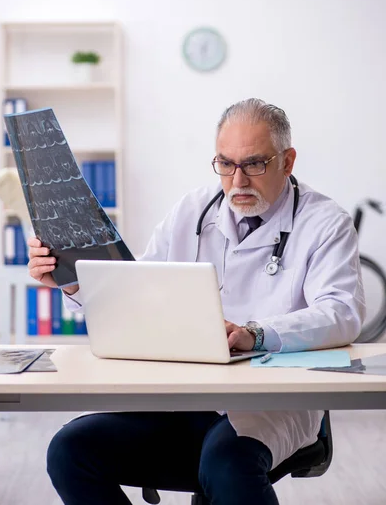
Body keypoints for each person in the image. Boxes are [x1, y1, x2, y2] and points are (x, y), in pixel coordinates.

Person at [28, 98, 365, 505]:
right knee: (70, 451)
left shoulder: (325, 222)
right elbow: (133, 297)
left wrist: (254, 334)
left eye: (254, 164)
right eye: (225, 163)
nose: (237, 180)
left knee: (226, 462)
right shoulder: (191, 210)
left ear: (287, 161)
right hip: (186, 396)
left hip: (273, 402)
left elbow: (342, 312)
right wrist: (71, 281)